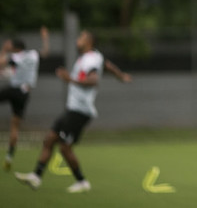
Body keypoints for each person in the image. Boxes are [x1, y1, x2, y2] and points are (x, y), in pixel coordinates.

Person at [15, 30, 131, 193]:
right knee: (49, 140)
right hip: (73, 109)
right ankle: (36, 177)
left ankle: (82, 182)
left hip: (80, 110)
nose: (78, 40)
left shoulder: (91, 59)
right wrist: (121, 76)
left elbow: (93, 80)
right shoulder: (93, 57)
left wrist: (70, 79)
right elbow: (107, 65)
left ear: (89, 41)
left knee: (64, 147)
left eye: (81, 37)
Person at [0, 26, 49, 170]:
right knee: (15, 125)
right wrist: (45, 37)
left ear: (15, 48)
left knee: (14, 124)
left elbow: (1, 63)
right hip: (25, 93)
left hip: (14, 89)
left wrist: (4, 49)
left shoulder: (16, 57)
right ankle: (9, 156)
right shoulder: (33, 54)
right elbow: (45, 52)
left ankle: (9, 156)